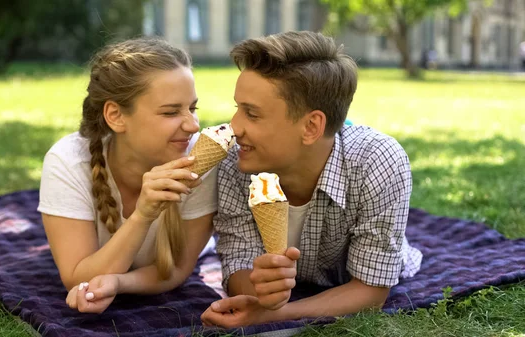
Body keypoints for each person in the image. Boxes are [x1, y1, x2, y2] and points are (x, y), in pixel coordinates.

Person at [201, 31, 423, 327]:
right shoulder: (236, 159)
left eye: (252, 114)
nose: (235, 127)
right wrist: (263, 293)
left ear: (311, 126)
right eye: (237, 108)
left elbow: (371, 290)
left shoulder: (377, 161)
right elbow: (238, 263)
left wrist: (278, 313)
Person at [37, 37, 217, 314]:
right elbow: (77, 276)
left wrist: (119, 283)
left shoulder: (202, 163)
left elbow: (177, 268)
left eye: (192, 108)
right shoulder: (68, 162)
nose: (193, 126)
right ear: (116, 116)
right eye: (171, 111)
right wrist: (143, 215)